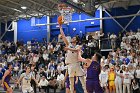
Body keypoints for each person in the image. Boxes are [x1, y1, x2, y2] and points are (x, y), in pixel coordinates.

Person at [59, 25, 87, 93]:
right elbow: (63, 36)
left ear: (76, 41)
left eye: (74, 38)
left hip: (77, 64)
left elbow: (76, 50)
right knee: (71, 83)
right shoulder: (68, 44)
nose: (72, 38)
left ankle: (86, 91)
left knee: (82, 81)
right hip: (70, 65)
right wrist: (60, 27)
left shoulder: (78, 46)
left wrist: (68, 48)